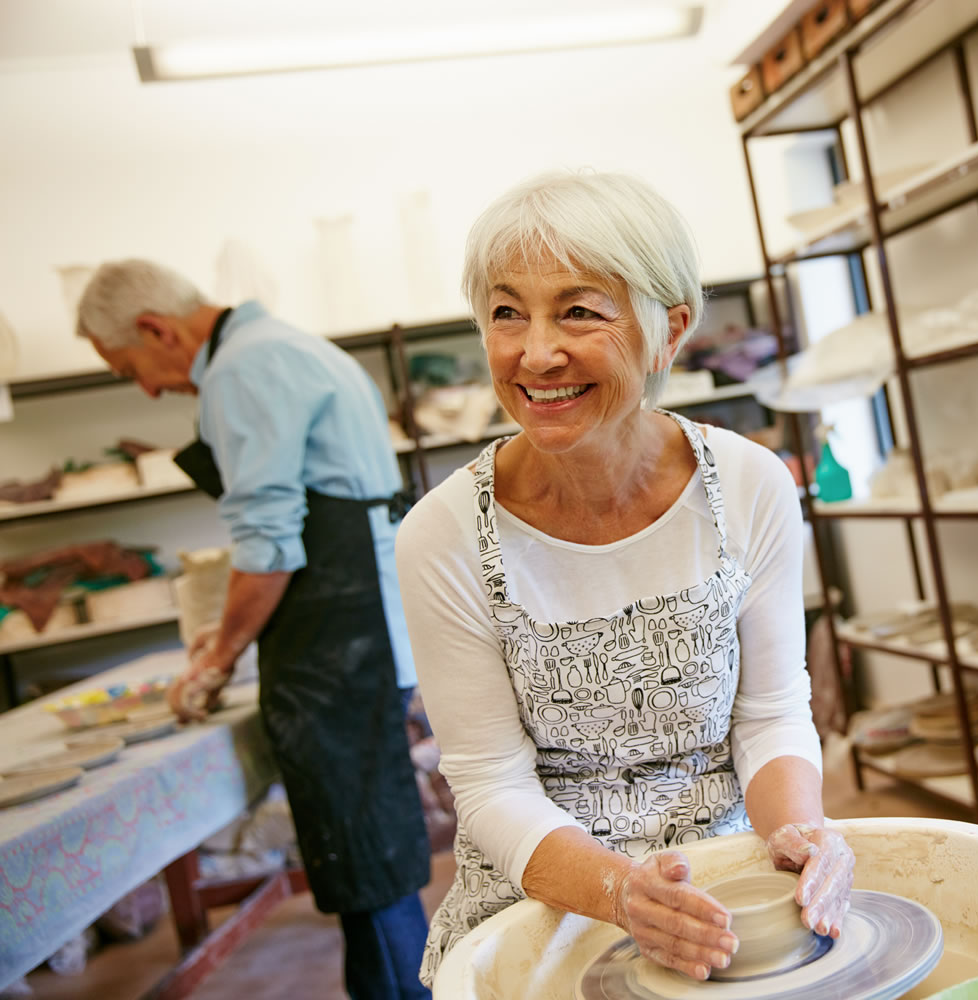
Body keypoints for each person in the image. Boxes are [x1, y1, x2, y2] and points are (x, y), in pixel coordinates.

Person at [396, 170, 855, 987]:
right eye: (508, 313)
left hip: (721, 885)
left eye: (578, 310)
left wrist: (803, 837)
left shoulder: (749, 485)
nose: (536, 354)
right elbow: (491, 783)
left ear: (668, 330)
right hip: (540, 900)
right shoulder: (443, 532)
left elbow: (771, 715)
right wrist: (618, 892)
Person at [75, 261, 432, 1000]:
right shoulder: (291, 346)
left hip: (339, 636)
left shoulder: (244, 368)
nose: (143, 389)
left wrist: (217, 654)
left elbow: (269, 546)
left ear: (154, 329)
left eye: (127, 367)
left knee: (363, 856)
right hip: (362, 624)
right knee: (369, 851)